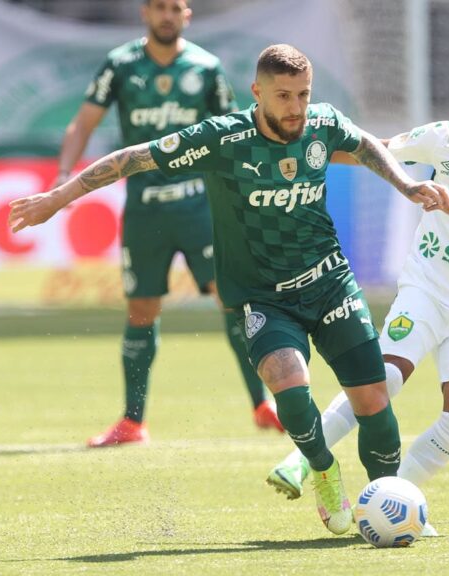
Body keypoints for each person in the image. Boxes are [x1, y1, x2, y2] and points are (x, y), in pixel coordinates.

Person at [9, 43, 449, 535]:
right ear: (257, 92)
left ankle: (389, 502)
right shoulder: (224, 139)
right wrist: (58, 196)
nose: (296, 107)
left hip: (329, 283)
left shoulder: (322, 123)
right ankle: (324, 470)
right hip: (262, 296)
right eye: (283, 96)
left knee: (372, 400)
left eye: (303, 94)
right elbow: (134, 158)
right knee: (288, 383)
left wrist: (407, 185)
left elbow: (366, 144)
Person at [266, 53, 449, 536]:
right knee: (384, 377)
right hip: (429, 287)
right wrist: (298, 144)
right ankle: (302, 460)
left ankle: (389, 498)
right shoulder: (441, 137)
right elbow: (373, 150)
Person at [54, 0, 283, 447]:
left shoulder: (205, 66)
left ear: (187, 14)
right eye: (158, 7)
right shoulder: (120, 65)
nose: (166, 16)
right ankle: (132, 421)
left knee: (232, 301)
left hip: (201, 207)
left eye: (174, 8)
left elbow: (234, 129)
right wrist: (66, 174)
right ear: (145, 13)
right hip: (144, 209)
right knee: (141, 309)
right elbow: (82, 123)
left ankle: (262, 404)